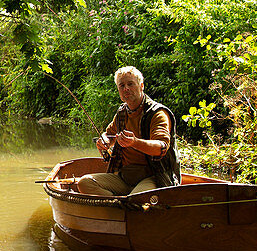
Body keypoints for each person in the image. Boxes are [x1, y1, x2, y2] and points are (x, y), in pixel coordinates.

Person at [75, 66, 180, 196]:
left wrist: (135, 142)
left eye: (130, 84)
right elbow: (108, 135)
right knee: (85, 183)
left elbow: (161, 148)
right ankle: (120, 204)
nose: (126, 89)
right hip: (125, 178)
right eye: (121, 85)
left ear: (141, 86)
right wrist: (105, 141)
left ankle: (125, 204)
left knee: (136, 198)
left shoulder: (157, 113)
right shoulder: (122, 113)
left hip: (154, 177)